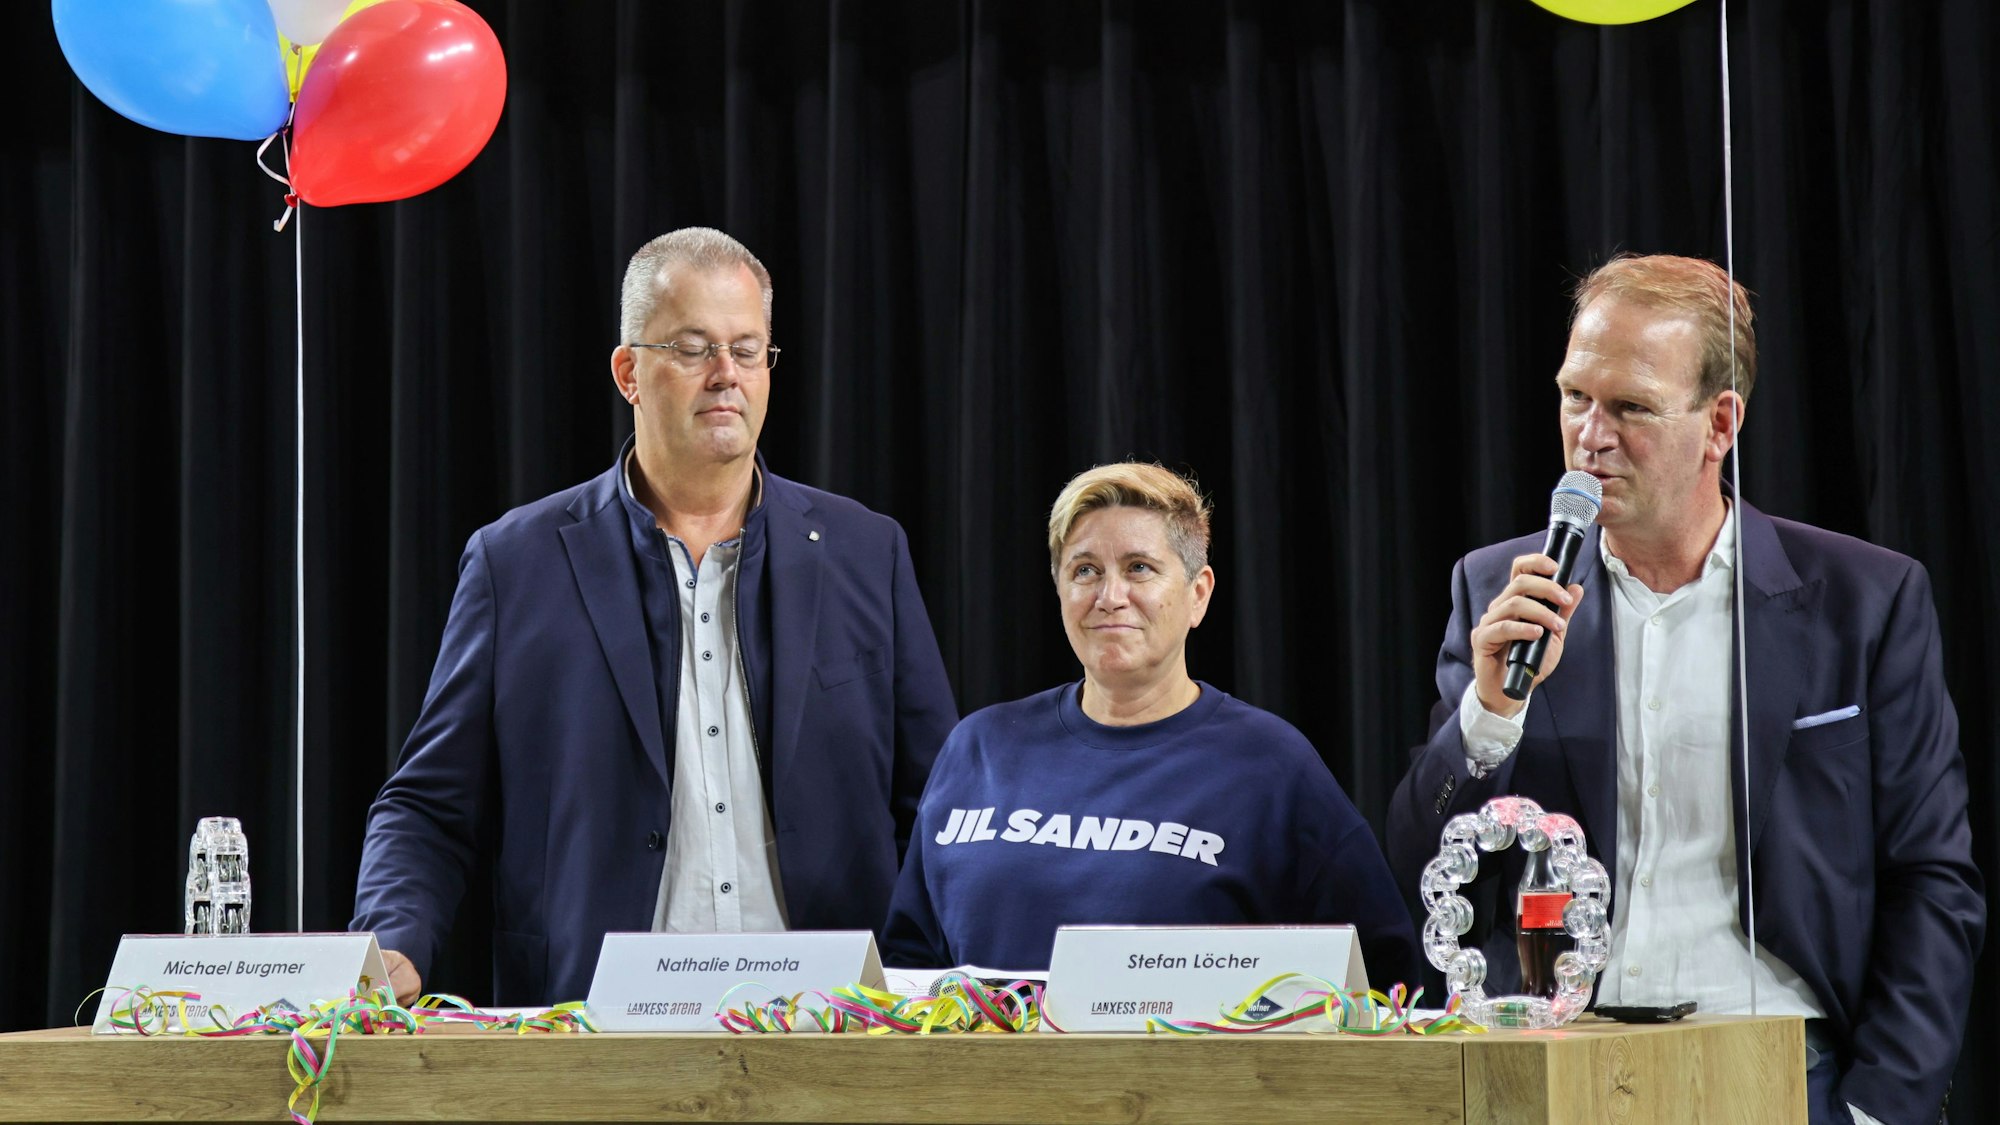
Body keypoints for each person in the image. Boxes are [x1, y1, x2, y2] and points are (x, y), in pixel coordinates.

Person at [1385, 254, 1984, 1124]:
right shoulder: (1497, 590)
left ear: (1721, 423)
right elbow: (1418, 867)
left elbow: (1932, 879)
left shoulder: (1865, 601)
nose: (1590, 434)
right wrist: (1490, 712)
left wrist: (1879, 1108)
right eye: (1574, 397)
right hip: (1561, 1071)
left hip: (1780, 1068)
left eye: (1630, 406)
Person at [351, 227, 959, 1005]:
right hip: (598, 1032)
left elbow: (941, 809)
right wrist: (395, 943)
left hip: (833, 1028)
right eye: (693, 347)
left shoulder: (867, 552)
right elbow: (429, 806)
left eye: (747, 350)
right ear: (629, 371)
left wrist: (931, 983)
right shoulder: (517, 563)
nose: (725, 375)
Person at [883, 462, 1419, 984]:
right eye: (1085, 570)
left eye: (1139, 568)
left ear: (1198, 594)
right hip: (977, 1077)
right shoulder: (979, 747)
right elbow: (908, 966)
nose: (1110, 597)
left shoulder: (1272, 766)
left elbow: (1379, 979)